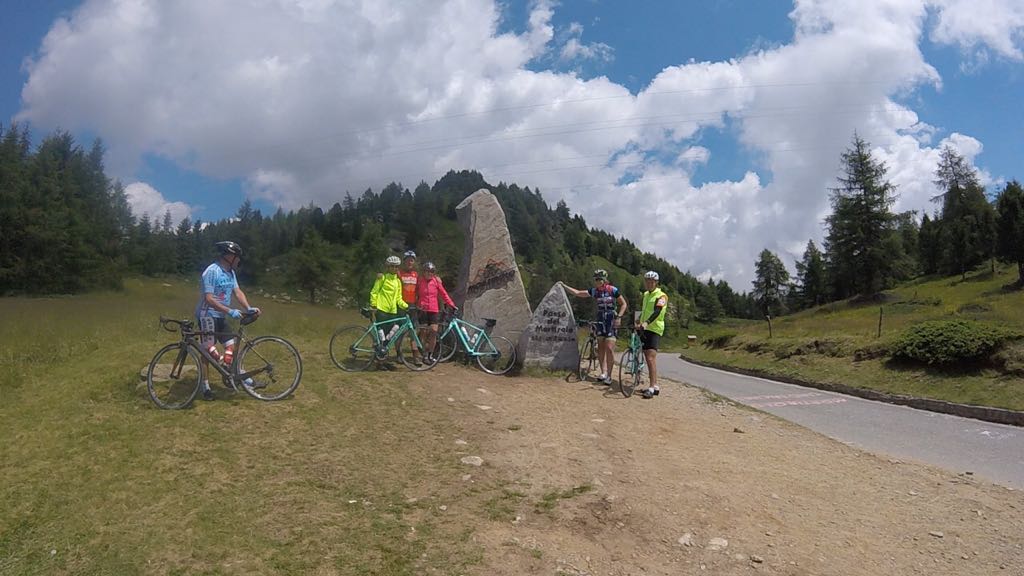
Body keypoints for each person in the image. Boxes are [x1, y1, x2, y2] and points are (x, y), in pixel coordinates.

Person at [195, 241, 261, 400]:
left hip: (221, 316)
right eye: (237, 256)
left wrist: (248, 308)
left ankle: (232, 373)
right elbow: (209, 299)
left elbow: (237, 292)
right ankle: (205, 387)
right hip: (207, 315)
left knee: (231, 347)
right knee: (207, 351)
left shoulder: (231, 273)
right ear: (229, 256)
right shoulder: (212, 271)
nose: (239, 260)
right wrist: (230, 311)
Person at [562, 269, 628, 385]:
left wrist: (619, 317)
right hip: (600, 319)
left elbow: (623, 304)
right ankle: (603, 372)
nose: (597, 281)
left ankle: (609, 376)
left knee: (609, 348)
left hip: (611, 320)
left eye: (599, 279)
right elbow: (578, 293)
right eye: (595, 279)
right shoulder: (594, 291)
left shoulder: (613, 290)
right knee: (601, 347)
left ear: (604, 280)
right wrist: (564, 286)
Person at [416, 261, 456, 362]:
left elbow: (444, 293)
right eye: (427, 271)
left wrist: (451, 304)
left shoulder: (436, 281)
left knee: (434, 332)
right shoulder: (419, 281)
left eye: (432, 271)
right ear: (424, 272)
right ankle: (423, 354)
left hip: (434, 309)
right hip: (422, 309)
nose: (429, 273)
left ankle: (430, 354)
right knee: (423, 332)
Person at [369, 255, 409, 355]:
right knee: (381, 335)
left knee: (391, 334)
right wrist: (373, 305)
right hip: (381, 310)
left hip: (392, 311)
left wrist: (407, 306)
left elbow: (398, 298)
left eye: (396, 266)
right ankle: (379, 357)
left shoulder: (398, 281)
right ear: (388, 267)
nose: (394, 268)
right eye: (392, 266)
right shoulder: (382, 278)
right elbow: (374, 292)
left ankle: (382, 354)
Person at [637, 270, 667, 399]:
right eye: (647, 281)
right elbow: (643, 311)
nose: (649, 283)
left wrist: (647, 322)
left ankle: (652, 387)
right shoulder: (645, 294)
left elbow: (657, 311)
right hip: (644, 328)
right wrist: (638, 321)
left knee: (650, 358)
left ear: (656, 282)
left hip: (654, 328)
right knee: (647, 357)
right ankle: (655, 386)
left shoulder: (662, 296)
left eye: (652, 281)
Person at [398, 250, 421, 361]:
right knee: (399, 330)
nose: (409, 262)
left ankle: (415, 355)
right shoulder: (399, 273)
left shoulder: (416, 275)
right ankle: (399, 354)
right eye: (407, 260)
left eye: (412, 260)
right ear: (404, 261)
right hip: (401, 304)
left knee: (413, 330)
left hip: (413, 305)